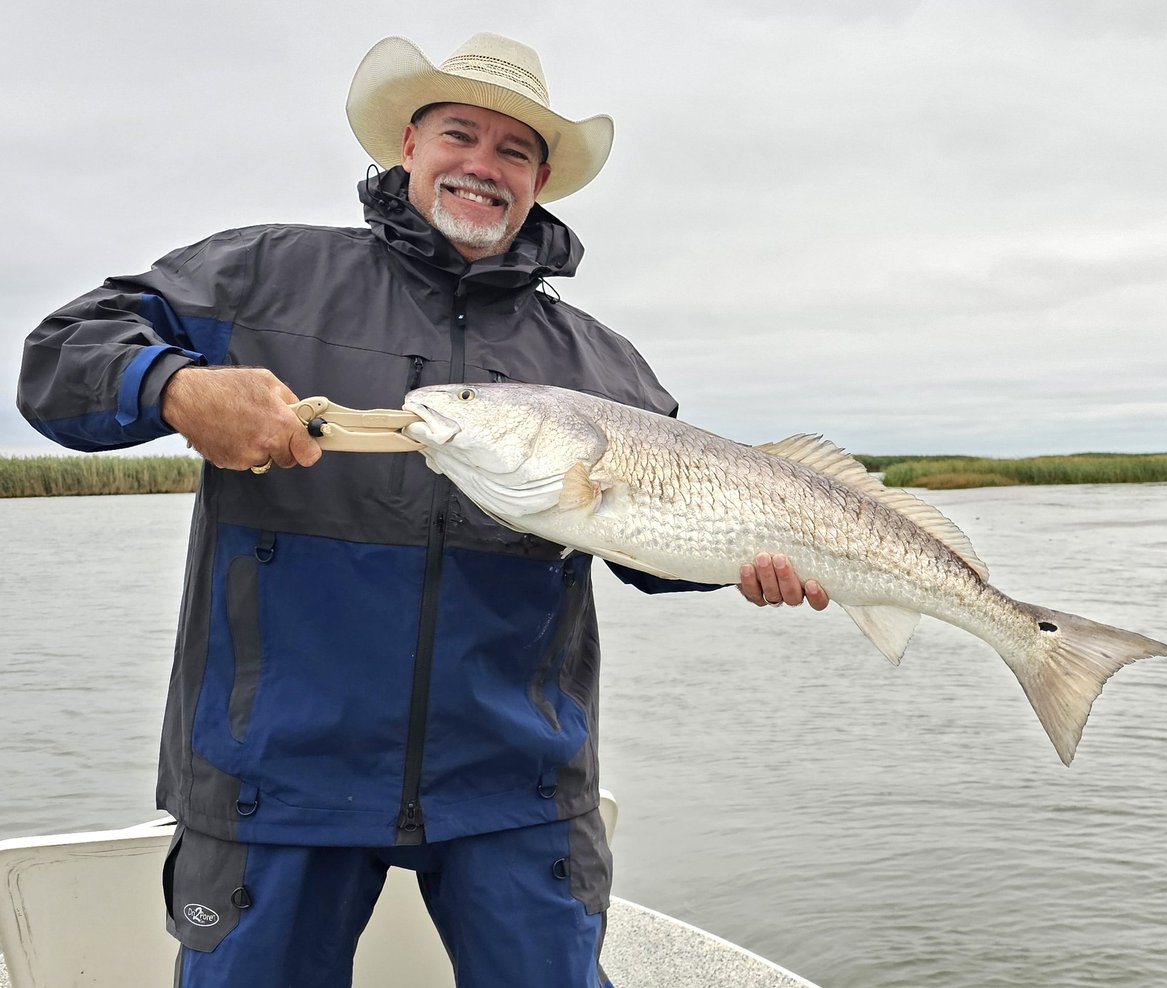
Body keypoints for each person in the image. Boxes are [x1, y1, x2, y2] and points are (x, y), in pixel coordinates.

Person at [16, 31, 827, 988]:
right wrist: (174, 387)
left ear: (541, 181)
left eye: (515, 150)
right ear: (408, 144)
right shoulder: (261, 276)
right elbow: (55, 359)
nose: (484, 164)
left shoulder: (603, 368)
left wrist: (744, 561)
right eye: (459, 135)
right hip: (274, 778)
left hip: (519, 790)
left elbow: (650, 553)